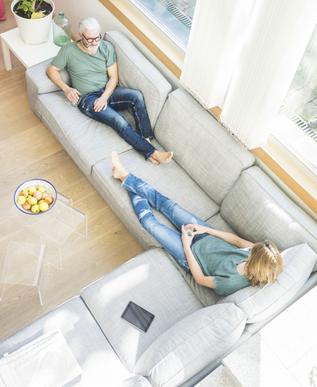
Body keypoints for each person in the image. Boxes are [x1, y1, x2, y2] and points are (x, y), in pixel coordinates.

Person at [110, 151, 284, 296]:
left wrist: (186, 245)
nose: (252, 251)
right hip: (204, 235)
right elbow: (237, 241)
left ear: (256, 265)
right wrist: (206, 229)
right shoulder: (255, 252)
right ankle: (125, 176)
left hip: (191, 256)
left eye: (253, 254)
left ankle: (125, 180)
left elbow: (200, 279)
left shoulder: (231, 283)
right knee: (166, 204)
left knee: (150, 224)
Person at [47, 17, 173, 165]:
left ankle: (146, 142)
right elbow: (52, 70)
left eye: (97, 38)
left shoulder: (107, 48)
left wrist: (104, 97)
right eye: (90, 39)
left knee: (136, 96)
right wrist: (66, 88)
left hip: (108, 92)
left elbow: (113, 77)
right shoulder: (68, 50)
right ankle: (153, 152)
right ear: (81, 36)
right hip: (87, 98)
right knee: (118, 121)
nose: (95, 42)